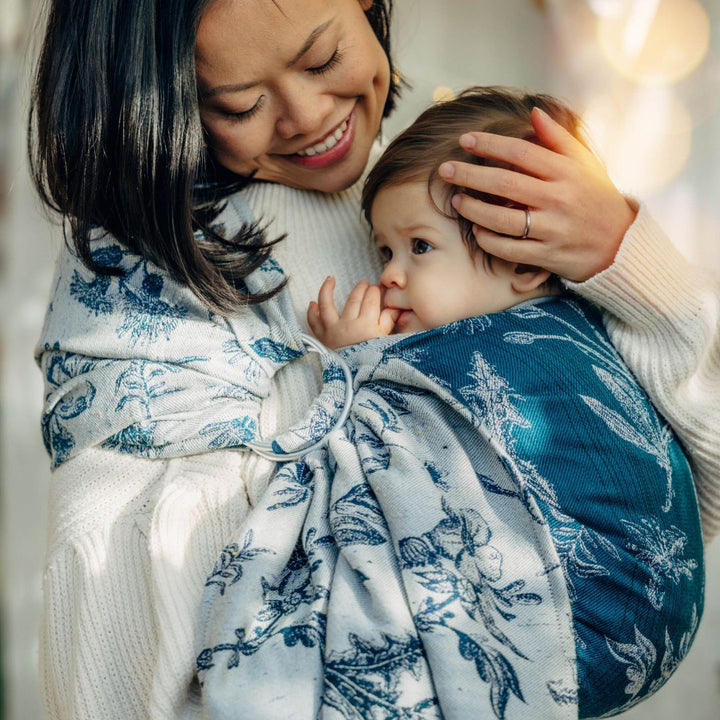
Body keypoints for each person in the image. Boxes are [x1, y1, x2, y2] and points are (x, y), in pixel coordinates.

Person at [27, 1, 719, 718]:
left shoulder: (462, 187)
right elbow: (117, 622)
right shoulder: (141, 298)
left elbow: (674, 497)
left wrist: (622, 256)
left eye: (323, 58)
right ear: (166, 104)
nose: (307, 115)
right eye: (242, 104)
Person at [194, 87, 703, 719]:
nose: (389, 275)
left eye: (420, 247)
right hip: (642, 631)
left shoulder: (558, 343)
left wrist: (353, 363)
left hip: (584, 612)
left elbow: (375, 446)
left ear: (524, 261)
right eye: (384, 251)